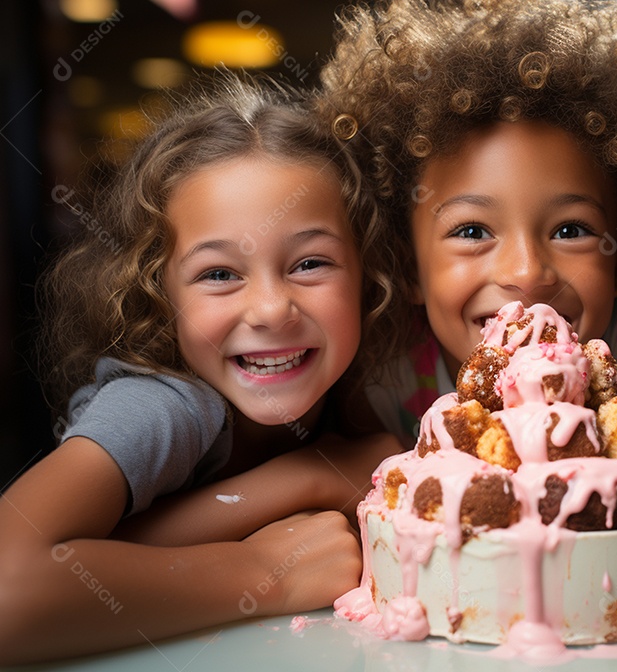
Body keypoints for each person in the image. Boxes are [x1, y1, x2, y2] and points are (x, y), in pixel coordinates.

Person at [0, 74, 409, 663]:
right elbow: (10, 587)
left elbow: (126, 546)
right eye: (219, 274)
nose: (271, 308)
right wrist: (268, 567)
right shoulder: (163, 406)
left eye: (310, 263)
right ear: (159, 296)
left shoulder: (352, 390)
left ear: (368, 277)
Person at [317, 0, 617, 488]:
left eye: (571, 230)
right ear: (408, 265)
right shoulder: (387, 368)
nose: (526, 273)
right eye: (472, 231)